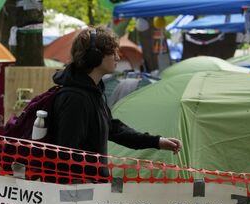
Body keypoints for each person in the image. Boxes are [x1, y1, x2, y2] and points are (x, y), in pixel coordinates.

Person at [50, 26, 181, 182]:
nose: (118, 58)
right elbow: (67, 156)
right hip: (79, 196)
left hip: (91, 192)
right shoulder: (75, 99)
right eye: (113, 53)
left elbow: (113, 129)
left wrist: (157, 142)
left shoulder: (92, 91)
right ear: (95, 57)